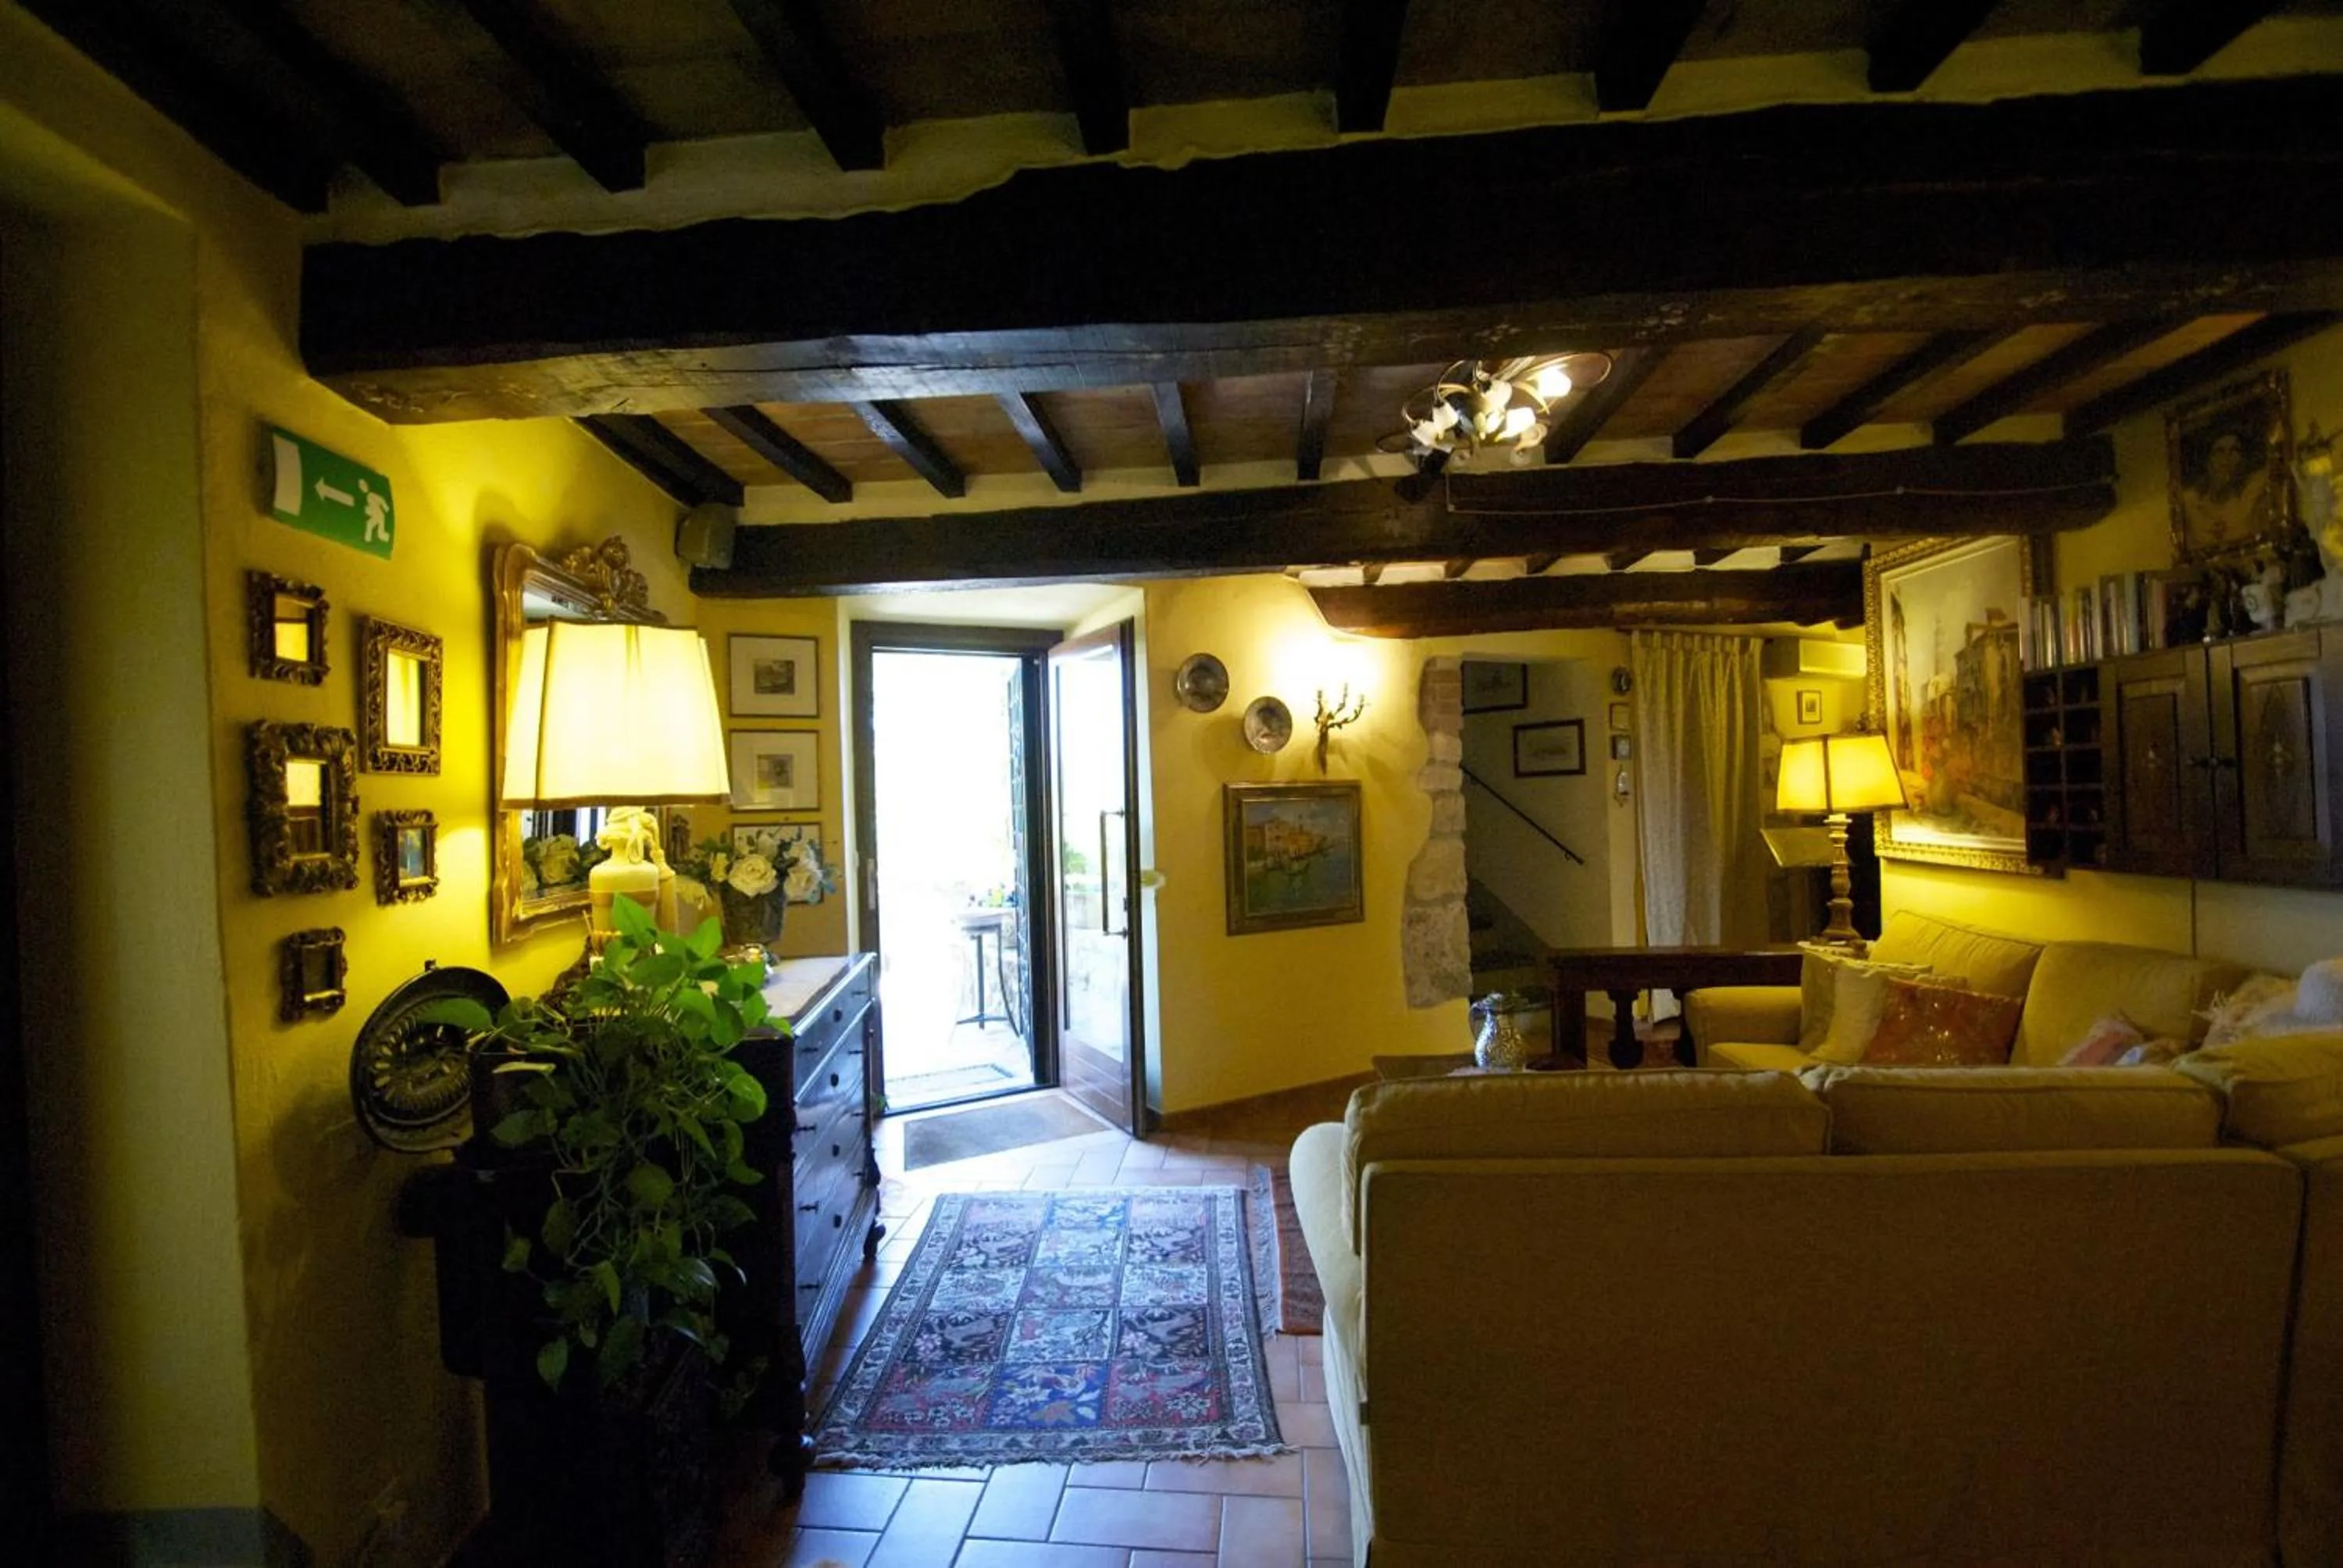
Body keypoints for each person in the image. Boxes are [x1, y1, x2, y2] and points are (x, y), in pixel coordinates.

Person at [2180, 426, 2272, 551]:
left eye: (2234, 450)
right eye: (2219, 451)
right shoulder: (2192, 503)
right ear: (2209, 460)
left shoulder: (2249, 500)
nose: (2227, 457)